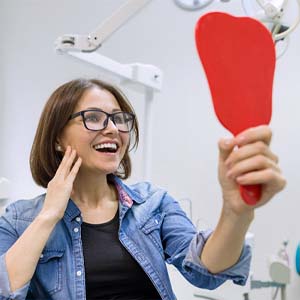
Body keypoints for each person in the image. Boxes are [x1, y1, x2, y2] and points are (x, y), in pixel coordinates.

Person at [0, 78, 286, 300]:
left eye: (119, 118)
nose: (112, 128)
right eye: (94, 117)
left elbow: (206, 271)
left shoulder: (152, 203)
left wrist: (236, 212)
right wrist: (50, 214)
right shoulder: (19, 220)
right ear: (57, 139)